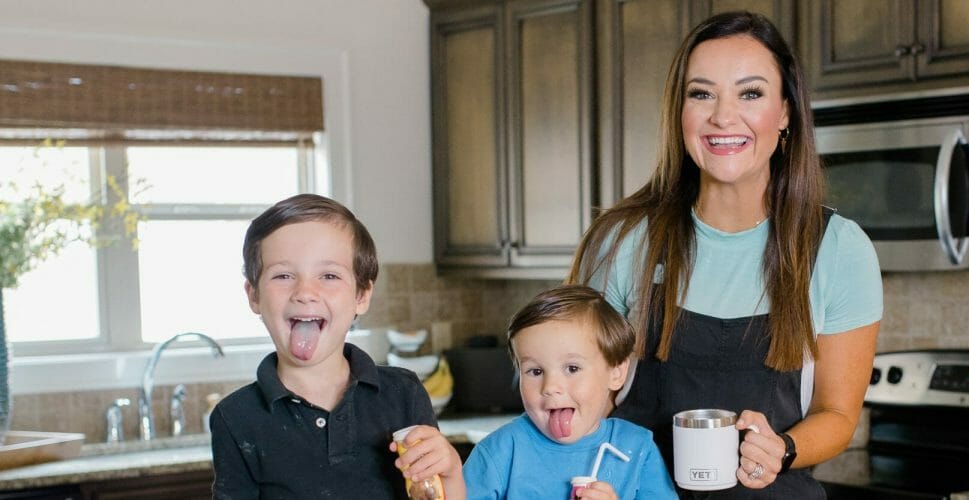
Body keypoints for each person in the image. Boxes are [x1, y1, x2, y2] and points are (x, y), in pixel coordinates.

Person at [567, 11, 883, 499]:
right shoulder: (623, 240)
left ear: (784, 113)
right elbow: (570, 392)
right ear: (681, 113)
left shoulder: (838, 250)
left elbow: (837, 415)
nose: (723, 116)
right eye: (702, 93)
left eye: (750, 93)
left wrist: (783, 446)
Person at [210, 194, 466, 499]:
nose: (305, 292)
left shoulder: (403, 394)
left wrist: (451, 472)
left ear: (362, 295)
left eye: (329, 275)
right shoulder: (236, 418)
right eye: (283, 275)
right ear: (254, 296)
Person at [463, 285, 677, 499]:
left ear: (616, 373)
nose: (550, 387)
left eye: (572, 368)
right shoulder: (497, 453)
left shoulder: (637, 448)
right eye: (535, 371)